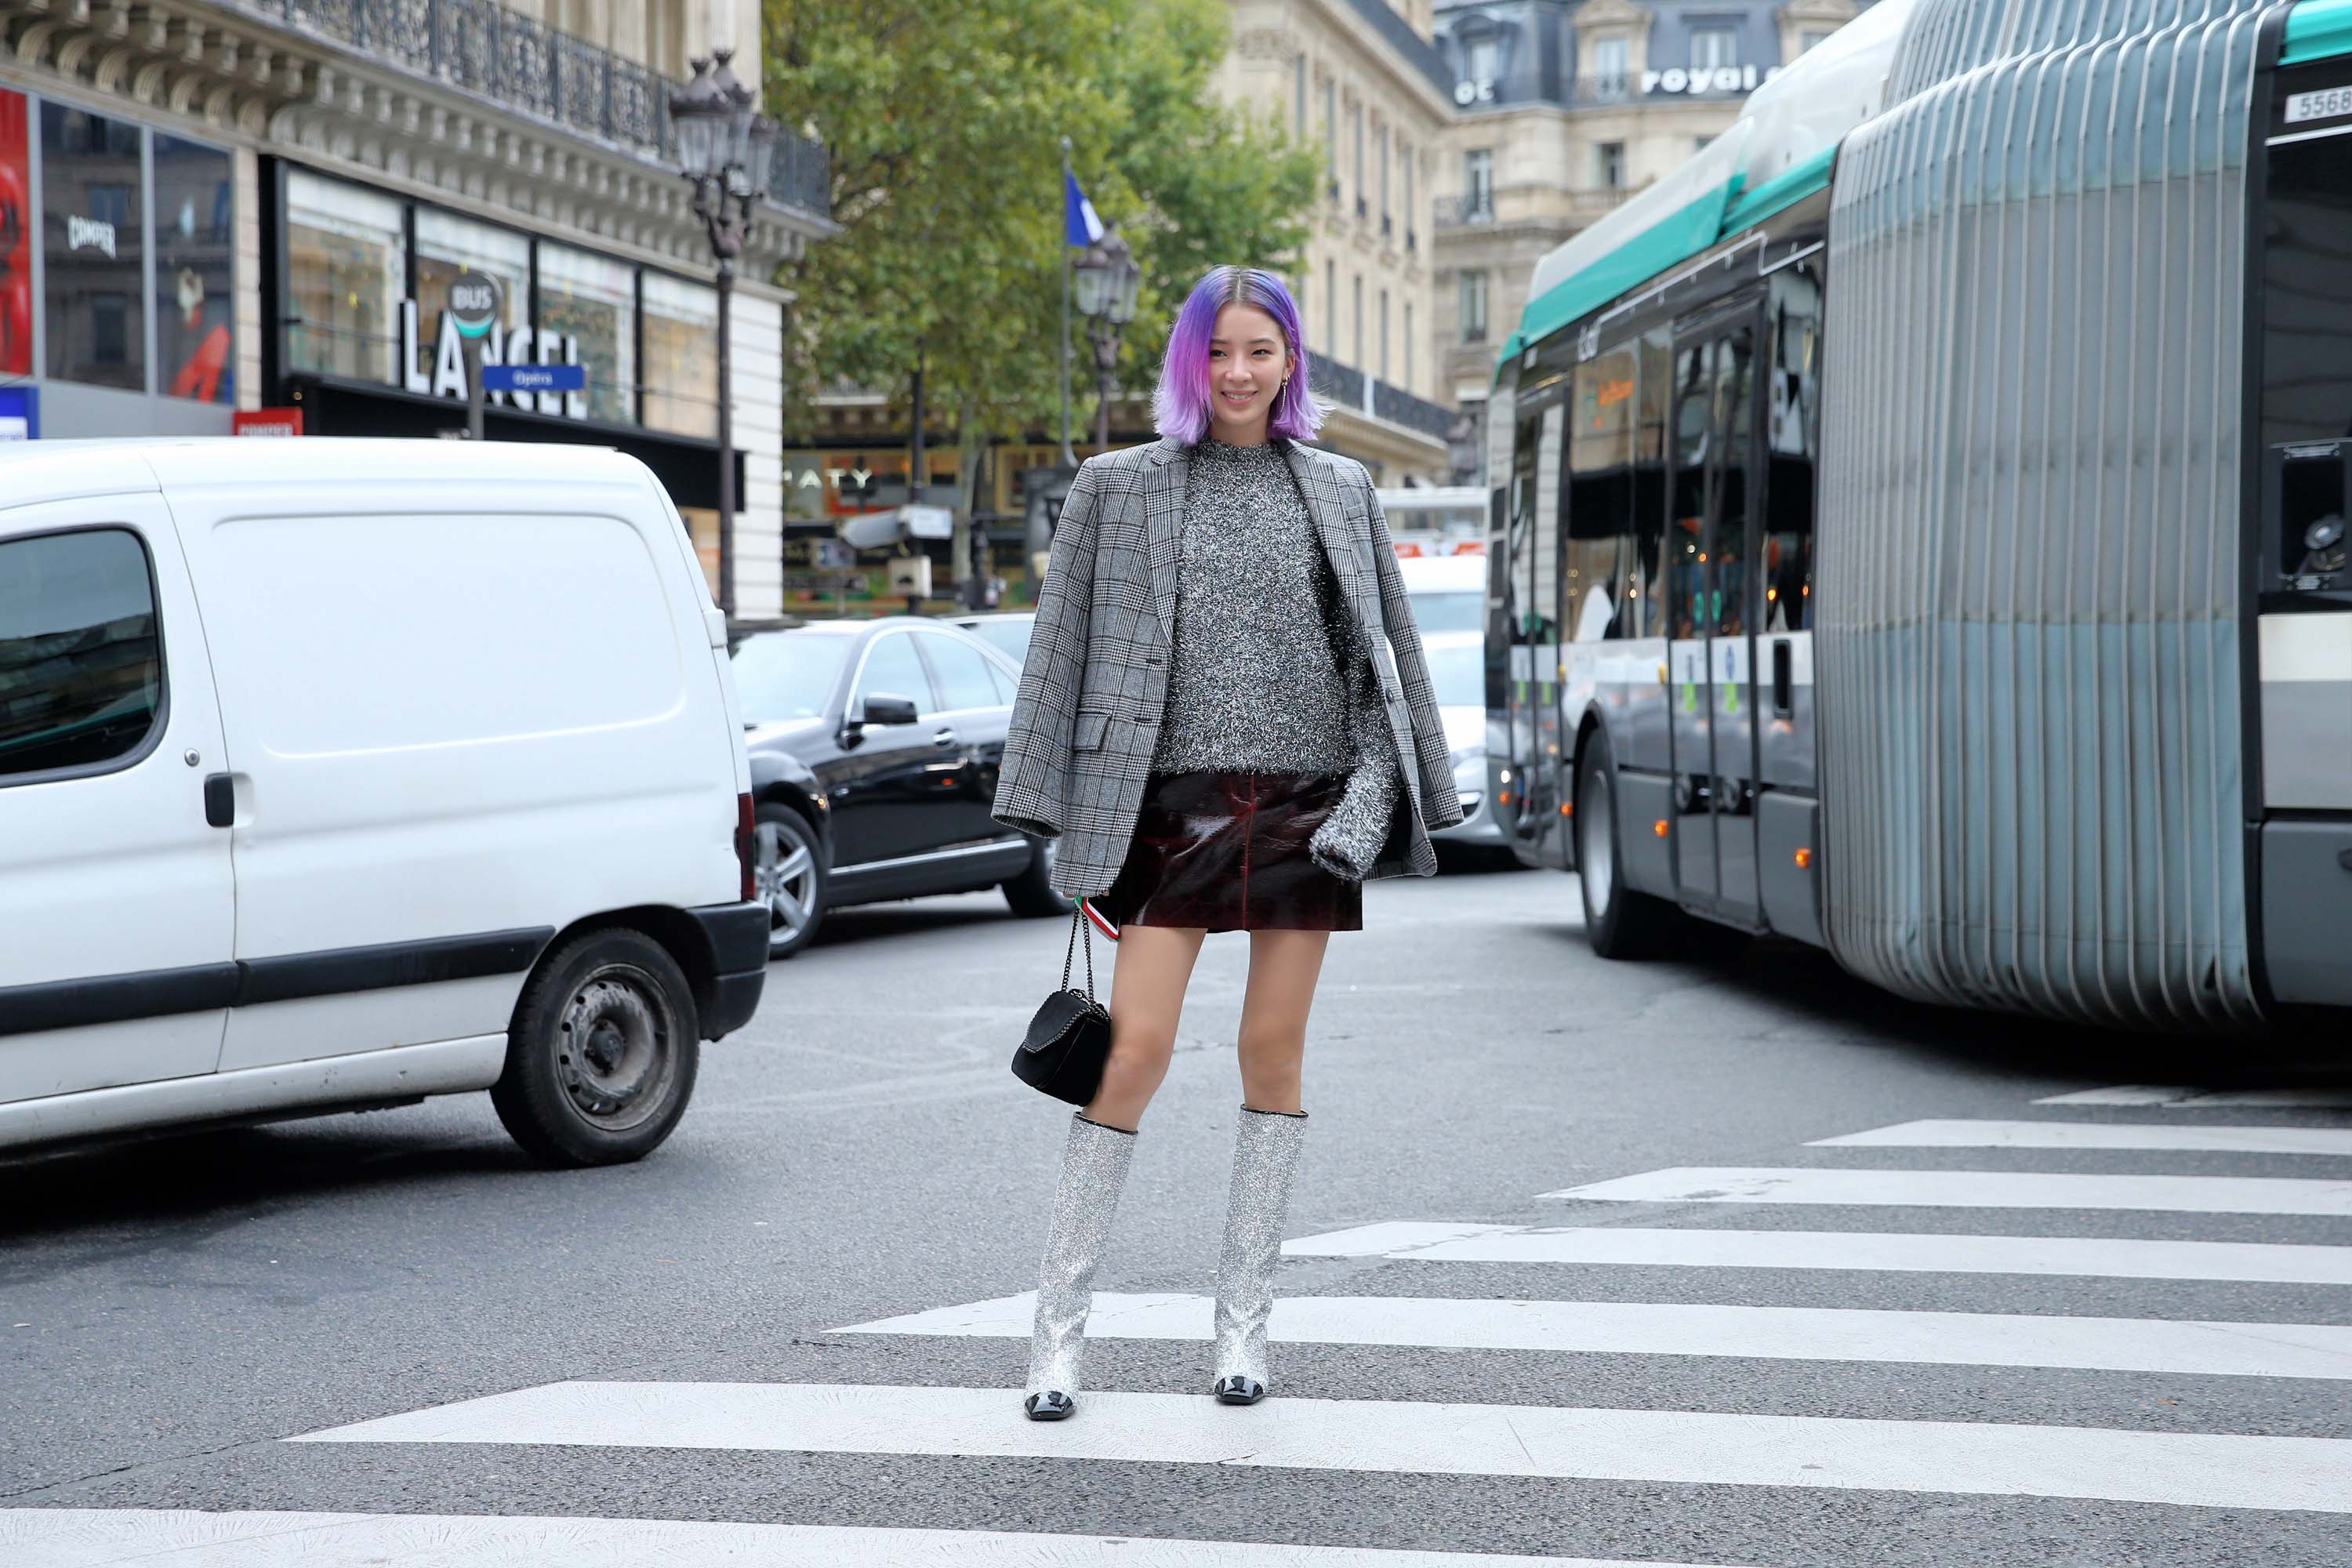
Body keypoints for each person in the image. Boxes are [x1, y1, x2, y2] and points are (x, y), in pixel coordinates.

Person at [990, 265, 1461, 1421]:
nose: (1239, 372)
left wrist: (1363, 815)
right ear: (1189, 363)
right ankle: (1057, 1341)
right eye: (1219, 351)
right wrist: (1056, 818)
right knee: (1134, 1051)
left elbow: (1384, 670)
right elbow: (1061, 652)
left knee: (1271, 1055)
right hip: (1171, 806)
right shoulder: (1122, 487)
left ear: (1290, 359)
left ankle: (1243, 1335)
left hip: (1306, 809)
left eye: (1261, 350)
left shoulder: (1341, 487)